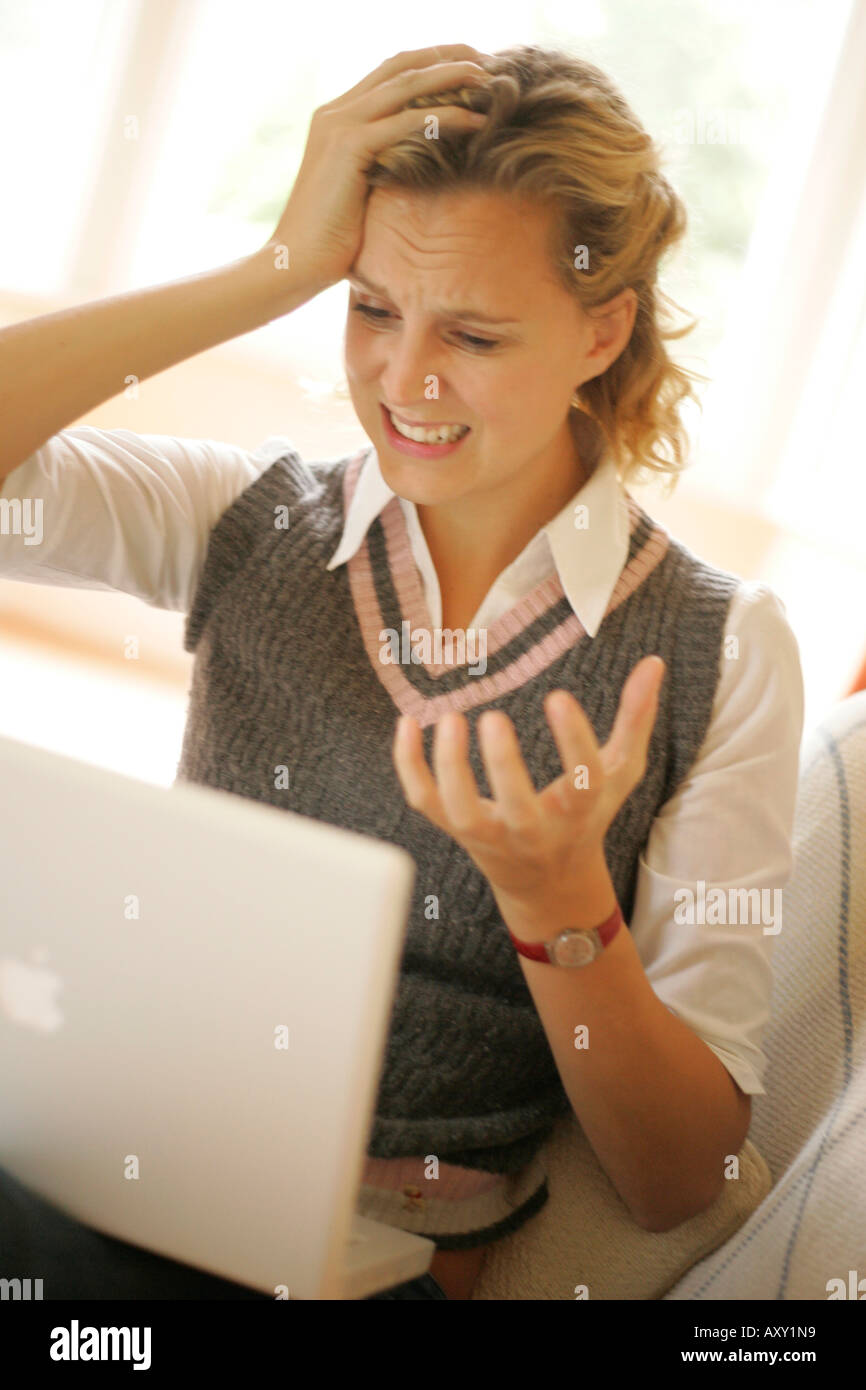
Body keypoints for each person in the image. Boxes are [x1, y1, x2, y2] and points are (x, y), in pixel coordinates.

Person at [0, 42, 803, 1301]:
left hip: (345, 1272)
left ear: (603, 327)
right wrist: (271, 271)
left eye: (473, 334)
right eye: (372, 307)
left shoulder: (721, 645)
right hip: (102, 1161)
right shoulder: (244, 519)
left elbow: (673, 1178)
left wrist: (558, 902)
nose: (404, 381)